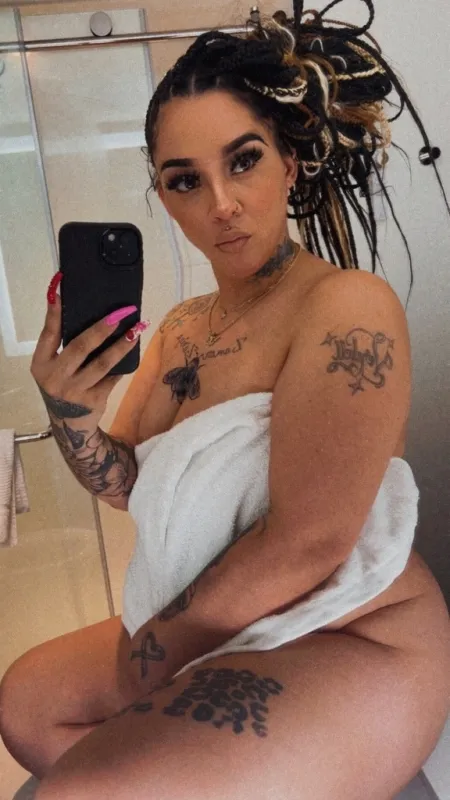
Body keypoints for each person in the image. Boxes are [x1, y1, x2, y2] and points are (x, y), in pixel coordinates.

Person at [1, 2, 450, 798]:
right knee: (27, 705)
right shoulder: (179, 329)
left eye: (242, 161)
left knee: (80, 789)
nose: (220, 203)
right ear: (165, 196)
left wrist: (152, 662)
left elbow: (307, 544)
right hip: (218, 618)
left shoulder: (347, 305)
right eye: (185, 180)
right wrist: (71, 414)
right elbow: (126, 485)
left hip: (345, 630)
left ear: (290, 163)